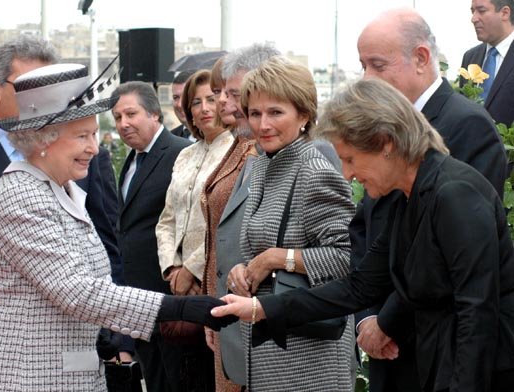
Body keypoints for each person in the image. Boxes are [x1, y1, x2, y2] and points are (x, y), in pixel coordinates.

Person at [213, 77, 514, 392]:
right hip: (440, 360)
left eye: (350, 159)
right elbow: (358, 287)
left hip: (483, 369)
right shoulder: (404, 197)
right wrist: (263, 309)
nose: (346, 174)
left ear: (385, 143)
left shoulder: (454, 193)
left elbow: (476, 310)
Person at [0, 62, 233, 391]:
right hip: (24, 377)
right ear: (41, 140)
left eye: (94, 134)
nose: (94, 147)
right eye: (82, 136)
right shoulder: (21, 197)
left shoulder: (65, 188)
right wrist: (179, 308)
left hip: (68, 373)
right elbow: (77, 291)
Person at [0, 36, 124, 383]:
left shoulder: (87, 155)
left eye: (50, 85)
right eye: (29, 86)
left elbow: (108, 247)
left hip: (68, 354)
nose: (43, 97)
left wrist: (120, 337)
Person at [353, 8, 508, 391]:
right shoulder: (384, 129)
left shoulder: (466, 126)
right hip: (386, 343)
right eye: (362, 66)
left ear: (421, 59)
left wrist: (385, 322)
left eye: (377, 65)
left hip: (434, 345)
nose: (366, 79)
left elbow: (450, 261)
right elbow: (365, 230)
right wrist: (366, 318)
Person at [226, 56, 356, 391]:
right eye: (255, 113)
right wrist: (242, 270)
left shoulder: (315, 170)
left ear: (304, 114)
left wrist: (274, 258)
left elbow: (347, 255)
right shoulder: (261, 166)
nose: (263, 124)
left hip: (310, 354)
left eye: (275, 112)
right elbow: (259, 245)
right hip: (270, 346)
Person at [157, 69, 235, 391]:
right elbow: (167, 220)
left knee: (212, 374)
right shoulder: (185, 155)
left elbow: (222, 221)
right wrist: (172, 267)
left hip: (214, 282)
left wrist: (192, 268)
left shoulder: (238, 151)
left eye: (211, 99)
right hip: (178, 288)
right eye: (195, 102)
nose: (204, 108)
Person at [111, 81, 191, 392]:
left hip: (170, 298)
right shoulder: (131, 160)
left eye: (131, 114)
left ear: (155, 114)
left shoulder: (179, 154)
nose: (123, 123)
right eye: (117, 117)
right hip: (138, 303)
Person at [200, 55, 257, 392]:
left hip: (251, 307)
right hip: (225, 306)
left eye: (233, 93)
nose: (221, 100)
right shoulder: (236, 145)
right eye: (220, 91)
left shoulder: (260, 150)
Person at [461, 0, 514, 126]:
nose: (473, 19)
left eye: (481, 11)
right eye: (473, 11)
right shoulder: (469, 58)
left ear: (505, 13)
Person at [170, 69, 197, 141]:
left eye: (186, 96)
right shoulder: (169, 139)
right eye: (176, 97)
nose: (179, 104)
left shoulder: (220, 138)